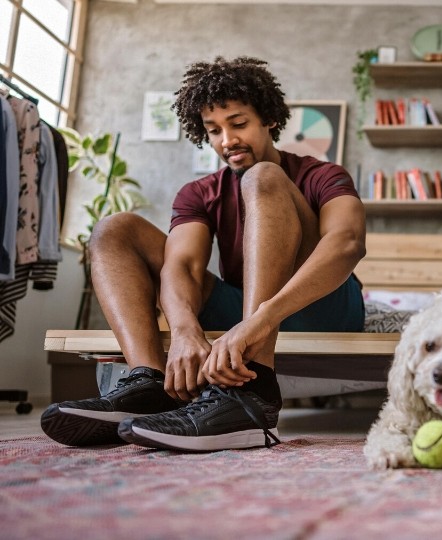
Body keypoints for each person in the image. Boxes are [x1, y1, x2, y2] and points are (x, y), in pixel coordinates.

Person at [40, 57, 366, 452]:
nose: (227, 140)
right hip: (243, 310)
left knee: (262, 176)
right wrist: (183, 329)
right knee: (115, 229)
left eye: (239, 123)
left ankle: (253, 396)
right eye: (214, 130)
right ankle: (150, 385)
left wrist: (262, 319)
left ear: (269, 120)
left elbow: (347, 242)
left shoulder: (321, 174)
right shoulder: (199, 193)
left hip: (324, 305)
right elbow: (182, 266)